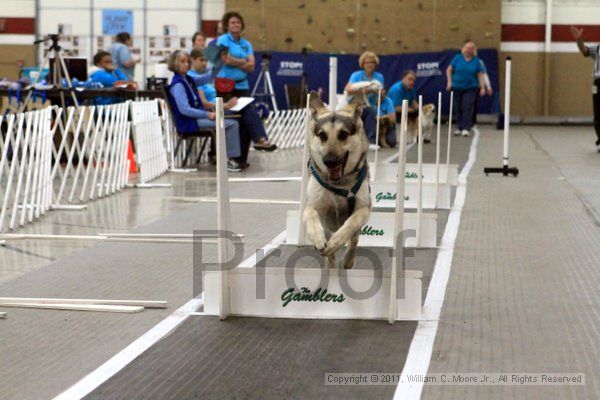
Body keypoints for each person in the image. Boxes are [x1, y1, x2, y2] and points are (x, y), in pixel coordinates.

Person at [166, 50, 249, 172]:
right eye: (182, 62)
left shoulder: (188, 80)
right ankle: (229, 160)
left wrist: (220, 63)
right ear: (174, 64)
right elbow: (185, 110)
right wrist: (207, 114)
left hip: (196, 118)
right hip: (189, 122)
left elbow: (208, 77)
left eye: (187, 62)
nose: (186, 64)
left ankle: (229, 157)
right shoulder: (178, 85)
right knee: (231, 124)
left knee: (235, 121)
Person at [216, 11, 276, 151]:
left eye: (238, 22)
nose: (236, 24)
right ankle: (261, 138)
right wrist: (243, 61)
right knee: (249, 111)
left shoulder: (246, 44)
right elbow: (225, 60)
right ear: (227, 25)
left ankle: (247, 151)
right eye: (233, 22)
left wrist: (236, 62)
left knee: (247, 115)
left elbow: (252, 66)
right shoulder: (223, 40)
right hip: (226, 87)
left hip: (242, 85)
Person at [446, 40, 486, 137]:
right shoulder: (457, 58)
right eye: (467, 48)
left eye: (470, 49)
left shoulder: (476, 61)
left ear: (473, 51)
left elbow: (480, 75)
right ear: (464, 49)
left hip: (471, 87)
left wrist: (482, 87)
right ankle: (459, 127)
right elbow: (449, 70)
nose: (468, 50)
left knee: (467, 106)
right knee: (457, 107)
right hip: (457, 86)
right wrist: (449, 82)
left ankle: (466, 128)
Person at [344, 51, 384, 144]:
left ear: (375, 64)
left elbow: (381, 94)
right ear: (363, 64)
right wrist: (362, 91)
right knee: (369, 111)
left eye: (372, 62)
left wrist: (379, 92)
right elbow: (348, 90)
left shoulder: (379, 77)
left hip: (371, 106)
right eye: (367, 62)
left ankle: (371, 141)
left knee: (373, 110)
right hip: (355, 105)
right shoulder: (356, 75)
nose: (369, 64)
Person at [571, 25, 600, 152]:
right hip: (598, 83)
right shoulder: (598, 48)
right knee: (598, 115)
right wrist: (579, 39)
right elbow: (585, 50)